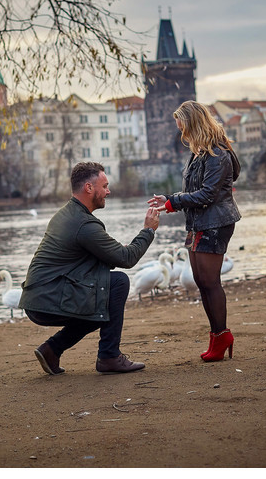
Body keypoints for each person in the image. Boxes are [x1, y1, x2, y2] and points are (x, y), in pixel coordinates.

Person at [19, 161, 161, 375]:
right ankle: (109, 356)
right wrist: (148, 231)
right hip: (47, 299)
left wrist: (109, 254)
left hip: (39, 297)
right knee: (116, 283)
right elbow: (127, 258)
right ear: (89, 188)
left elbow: (82, 260)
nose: (108, 191)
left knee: (101, 295)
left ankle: (52, 350)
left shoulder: (67, 214)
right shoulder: (84, 225)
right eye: (104, 186)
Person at [148, 101, 241, 362]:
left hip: (215, 223)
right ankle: (217, 336)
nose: (181, 132)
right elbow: (195, 191)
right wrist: (168, 199)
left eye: (182, 126)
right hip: (199, 222)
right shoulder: (200, 152)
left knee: (210, 282)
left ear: (194, 123)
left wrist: (173, 202)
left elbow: (209, 194)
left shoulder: (217, 154)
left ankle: (221, 336)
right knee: (202, 282)